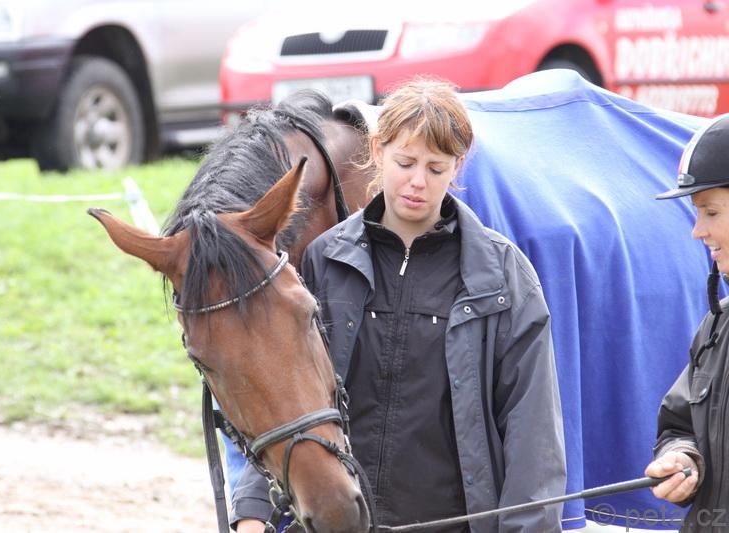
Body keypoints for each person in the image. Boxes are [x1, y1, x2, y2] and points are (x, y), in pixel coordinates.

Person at [231, 78, 567, 532]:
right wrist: (253, 509)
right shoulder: (323, 260)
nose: (417, 182)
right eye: (405, 162)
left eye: (436, 168)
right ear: (377, 151)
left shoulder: (503, 276)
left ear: (458, 166)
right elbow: (287, 398)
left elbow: (534, 433)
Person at [646, 113, 729, 530]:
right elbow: (679, 423)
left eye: (711, 212)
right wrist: (682, 457)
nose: (698, 231)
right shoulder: (718, 324)